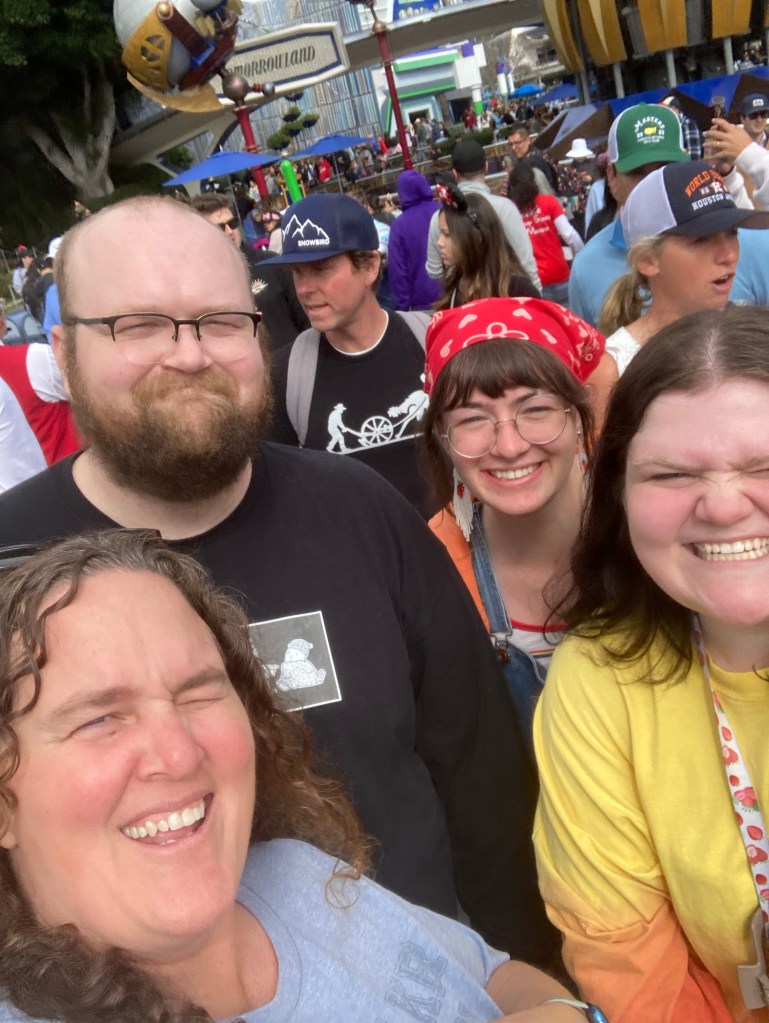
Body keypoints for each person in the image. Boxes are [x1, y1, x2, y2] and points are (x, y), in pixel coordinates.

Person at [0, 195, 557, 967]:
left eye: (221, 321)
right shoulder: (12, 563)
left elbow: (481, 778)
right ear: (64, 352)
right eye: (141, 324)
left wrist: (522, 975)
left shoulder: (360, 508)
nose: (189, 354)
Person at [0, 529, 598, 1023]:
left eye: (198, 694)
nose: (179, 755)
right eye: (100, 719)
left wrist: (566, 1011)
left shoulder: (294, 875)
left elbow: (490, 975)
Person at [535, 304, 769, 1023]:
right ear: (618, 493)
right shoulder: (597, 679)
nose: (723, 506)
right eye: (671, 474)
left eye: (763, 465)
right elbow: (632, 969)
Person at [421, 297, 603, 758]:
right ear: (442, 436)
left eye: (536, 409)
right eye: (472, 419)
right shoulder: (428, 564)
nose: (508, 445)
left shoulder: (646, 530)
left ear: (577, 415)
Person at [265, 192, 435, 516]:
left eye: (320, 269)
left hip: (451, 544)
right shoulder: (286, 377)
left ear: (369, 266)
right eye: (297, 271)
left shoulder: (431, 340)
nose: (304, 288)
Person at [598, 161, 769, 375]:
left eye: (732, 232)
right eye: (702, 239)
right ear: (647, 260)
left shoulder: (756, 336)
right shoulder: (615, 368)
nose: (730, 255)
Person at [568, 102, 689, 325]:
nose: (652, 183)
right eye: (637, 172)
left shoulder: (733, 248)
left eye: (665, 168)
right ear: (611, 177)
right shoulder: (586, 268)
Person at [190, 193, 308, 352]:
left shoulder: (271, 263)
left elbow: (305, 318)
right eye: (220, 227)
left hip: (295, 359)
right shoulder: (198, 285)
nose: (230, 231)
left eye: (232, 223)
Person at [426, 138, 542, 291]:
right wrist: (536, 293)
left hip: (465, 299)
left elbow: (435, 271)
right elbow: (525, 262)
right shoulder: (505, 208)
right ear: (486, 167)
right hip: (505, 296)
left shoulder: (441, 216)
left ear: (454, 173)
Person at [435, 185, 540, 308]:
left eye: (447, 234)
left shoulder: (519, 290)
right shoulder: (455, 288)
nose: (439, 242)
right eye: (440, 233)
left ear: (476, 237)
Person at [508, 161, 584, 305]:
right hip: (561, 274)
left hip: (535, 282)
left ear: (512, 187)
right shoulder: (550, 202)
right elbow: (570, 235)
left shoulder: (511, 211)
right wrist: (581, 257)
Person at [388, 170, 442, 311]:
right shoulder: (444, 211)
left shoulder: (399, 226)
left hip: (422, 305)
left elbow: (398, 271)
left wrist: (403, 308)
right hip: (455, 295)